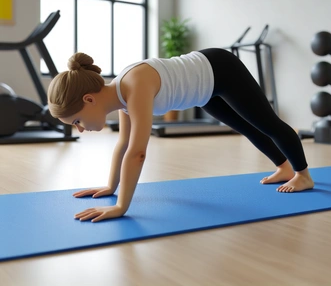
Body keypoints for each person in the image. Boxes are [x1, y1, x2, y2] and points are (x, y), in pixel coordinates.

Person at [48, 48, 314, 223]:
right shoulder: (119, 96)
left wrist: (121, 207)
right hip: (204, 89)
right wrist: (111, 187)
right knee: (245, 127)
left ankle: (303, 175)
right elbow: (124, 143)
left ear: (89, 99)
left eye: (77, 121)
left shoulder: (133, 85)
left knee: (267, 123)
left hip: (221, 70)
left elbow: (138, 151)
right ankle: (283, 166)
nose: (81, 129)